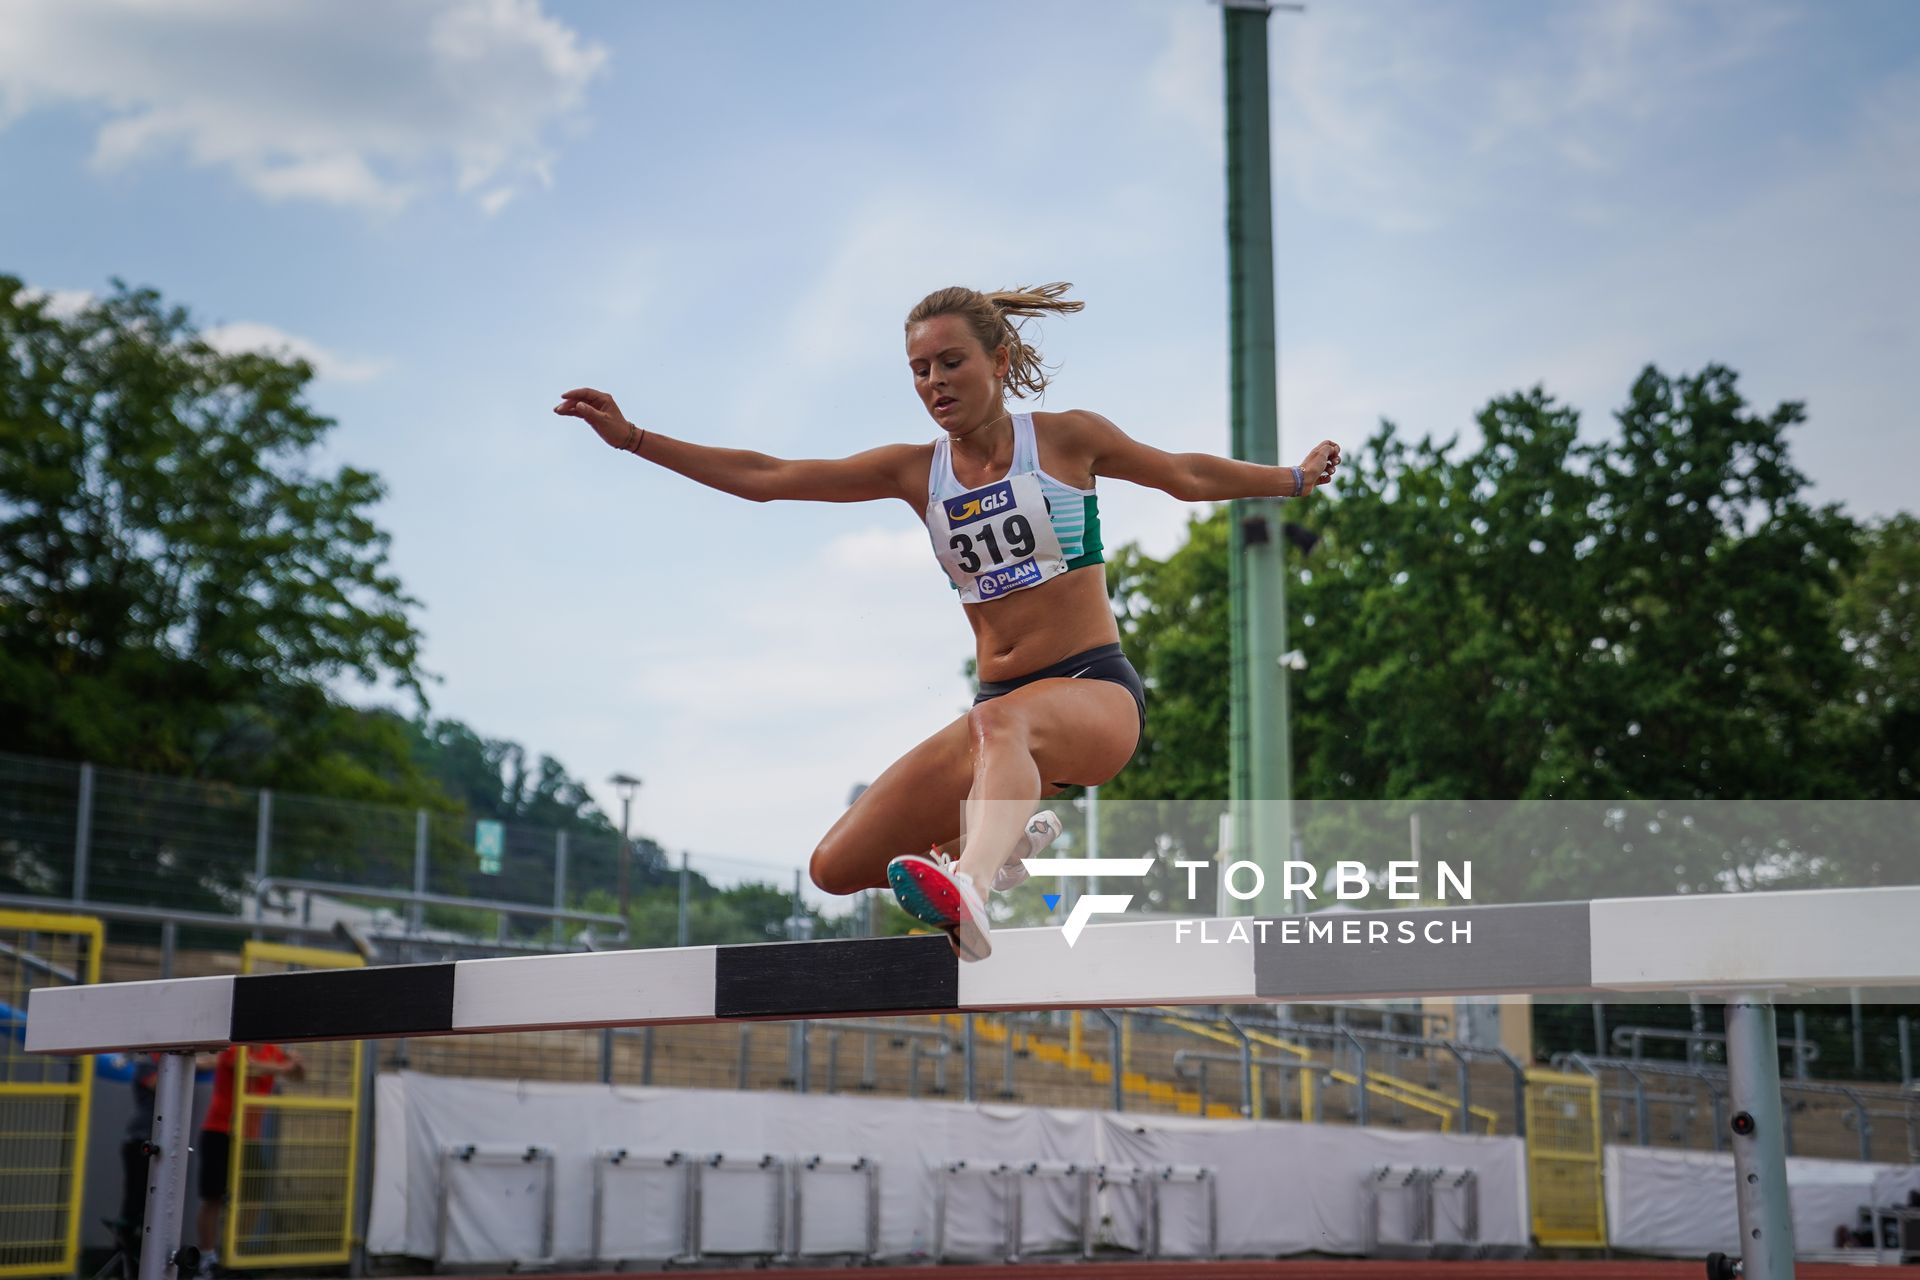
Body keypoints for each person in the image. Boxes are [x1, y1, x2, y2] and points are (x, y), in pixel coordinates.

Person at [556, 283, 1339, 960]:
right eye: (919, 370)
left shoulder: (1067, 439)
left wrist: (1292, 477)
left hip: (1094, 693)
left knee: (1001, 726)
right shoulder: (913, 470)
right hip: (994, 717)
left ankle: (974, 885)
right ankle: (993, 847)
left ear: (999, 362)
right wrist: (633, 439)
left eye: (951, 362)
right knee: (835, 865)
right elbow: (770, 478)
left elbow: (1185, 475)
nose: (934, 382)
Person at [193, 1042, 304, 1276]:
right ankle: (207, 1256)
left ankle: (234, 1251)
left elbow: (298, 1076)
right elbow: (249, 1067)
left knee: (253, 1197)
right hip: (219, 1131)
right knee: (213, 1197)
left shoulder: (272, 1051)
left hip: (248, 1137)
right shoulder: (235, 1047)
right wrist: (286, 1066)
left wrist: (297, 1063)